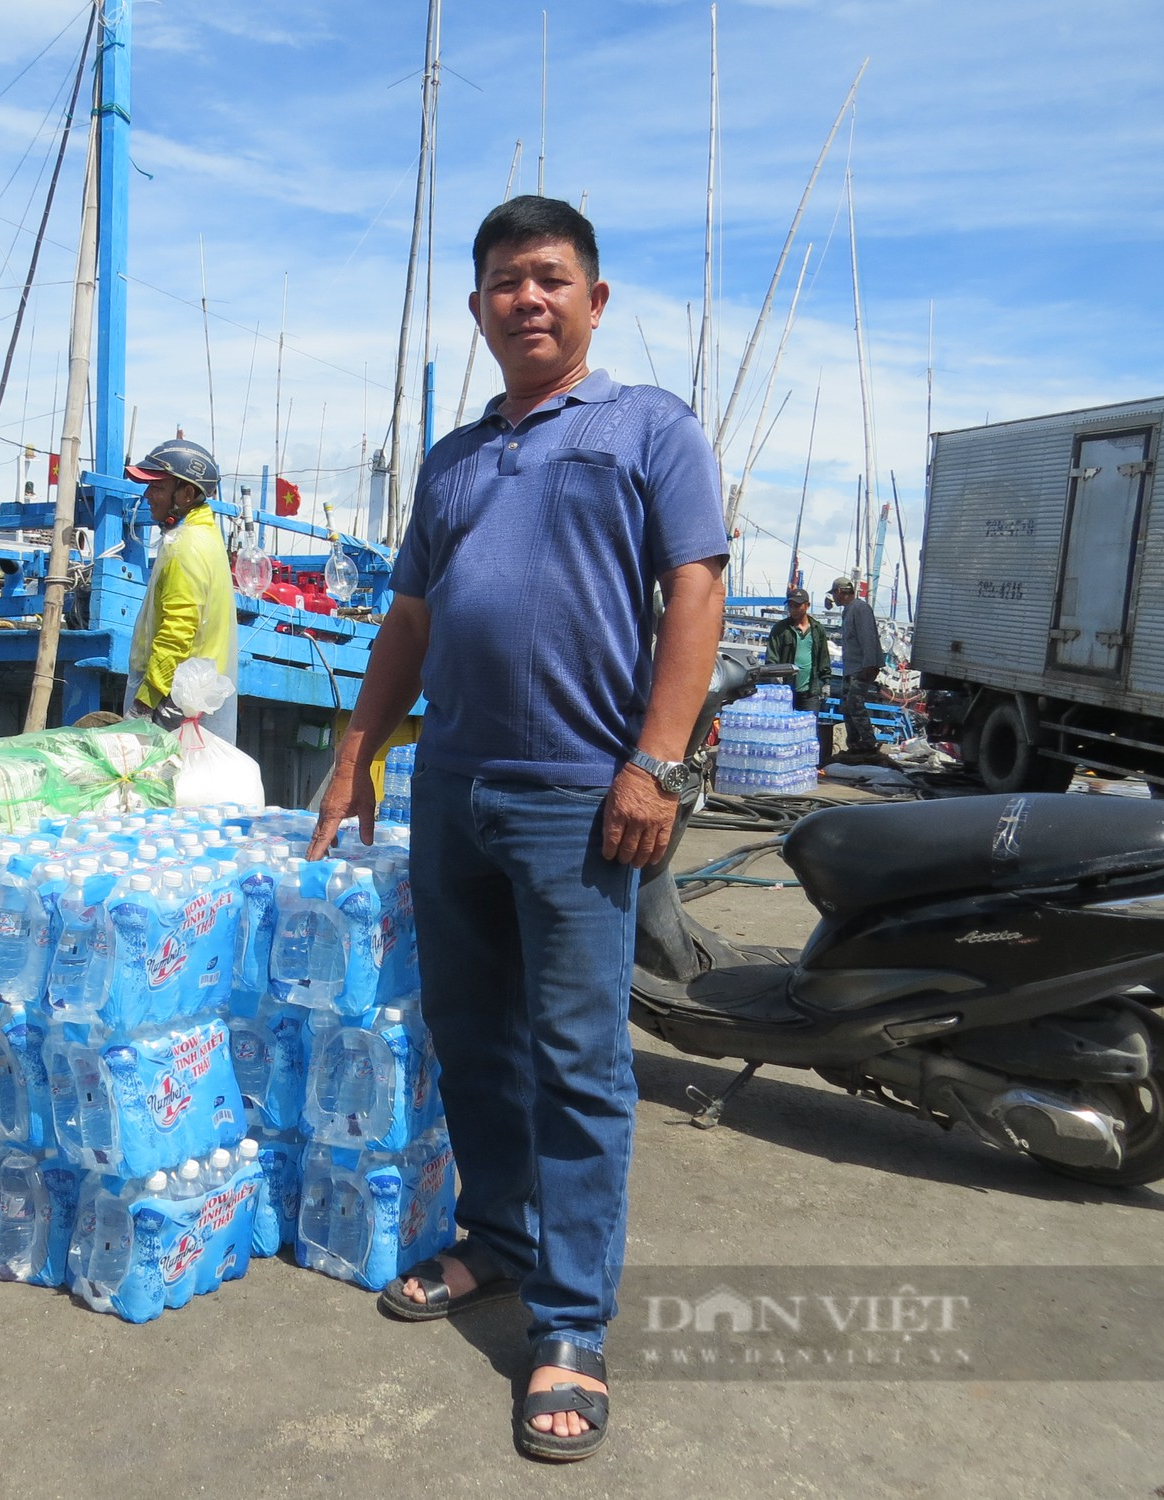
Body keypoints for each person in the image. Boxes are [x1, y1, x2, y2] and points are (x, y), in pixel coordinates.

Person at [309, 195, 727, 1463]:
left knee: (579, 1062)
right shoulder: (451, 460)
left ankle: (571, 1324)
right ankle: (495, 1239)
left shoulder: (646, 427)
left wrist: (654, 765)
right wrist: (355, 754)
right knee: (471, 1036)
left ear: (593, 301)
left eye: (548, 277)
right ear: (478, 307)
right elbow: (412, 624)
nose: (524, 298)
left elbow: (693, 592)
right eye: (502, 281)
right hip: (454, 789)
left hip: (579, 797)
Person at [122, 437, 239, 743]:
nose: (148, 495)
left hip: (173, 701)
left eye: (157, 487)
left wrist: (143, 703)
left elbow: (177, 633)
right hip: (193, 697)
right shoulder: (205, 536)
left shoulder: (185, 547)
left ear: (186, 494)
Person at [767, 585, 833, 763]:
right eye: (791, 605)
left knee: (809, 731)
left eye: (797, 605)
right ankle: (784, 763)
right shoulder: (780, 629)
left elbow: (823, 658)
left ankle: (807, 764)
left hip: (810, 689)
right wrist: (775, 674)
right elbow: (771, 657)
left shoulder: (817, 630)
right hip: (785, 691)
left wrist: (825, 681)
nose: (793, 609)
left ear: (807, 605)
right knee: (783, 730)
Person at [832, 575, 882, 756]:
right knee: (846, 705)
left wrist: (870, 664)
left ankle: (867, 742)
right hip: (851, 667)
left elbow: (868, 637)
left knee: (855, 703)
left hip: (861, 667)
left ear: (839, 592)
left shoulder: (860, 609)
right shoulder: (848, 610)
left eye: (834, 594)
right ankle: (854, 744)